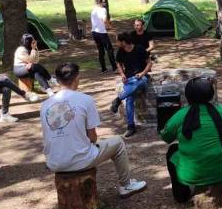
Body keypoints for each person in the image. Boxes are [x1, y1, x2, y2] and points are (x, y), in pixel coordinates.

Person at [41, 63, 147, 198]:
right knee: (118, 142)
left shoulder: (45, 105)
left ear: (58, 80)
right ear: (77, 78)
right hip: (79, 160)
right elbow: (93, 138)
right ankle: (126, 185)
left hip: (53, 162)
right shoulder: (85, 100)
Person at [160, 76, 222, 203]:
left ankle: (181, 195)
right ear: (211, 94)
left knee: (172, 150)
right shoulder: (220, 111)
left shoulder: (180, 115)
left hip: (192, 174)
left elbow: (166, 137)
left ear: (188, 95)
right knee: (221, 143)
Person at [110, 32, 153, 137]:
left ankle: (118, 99)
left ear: (123, 42)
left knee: (139, 83)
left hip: (142, 78)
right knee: (129, 98)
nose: (116, 43)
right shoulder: (121, 51)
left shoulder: (139, 49)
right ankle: (131, 127)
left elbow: (149, 63)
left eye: (118, 41)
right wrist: (122, 74)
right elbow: (118, 63)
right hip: (129, 79)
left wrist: (142, 73)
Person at [91, 0, 117, 74]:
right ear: (100, 3)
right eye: (103, 2)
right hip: (101, 33)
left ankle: (103, 68)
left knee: (100, 51)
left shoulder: (93, 10)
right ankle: (114, 67)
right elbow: (104, 20)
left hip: (94, 33)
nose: (105, 3)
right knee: (110, 50)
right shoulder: (103, 10)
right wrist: (112, 28)